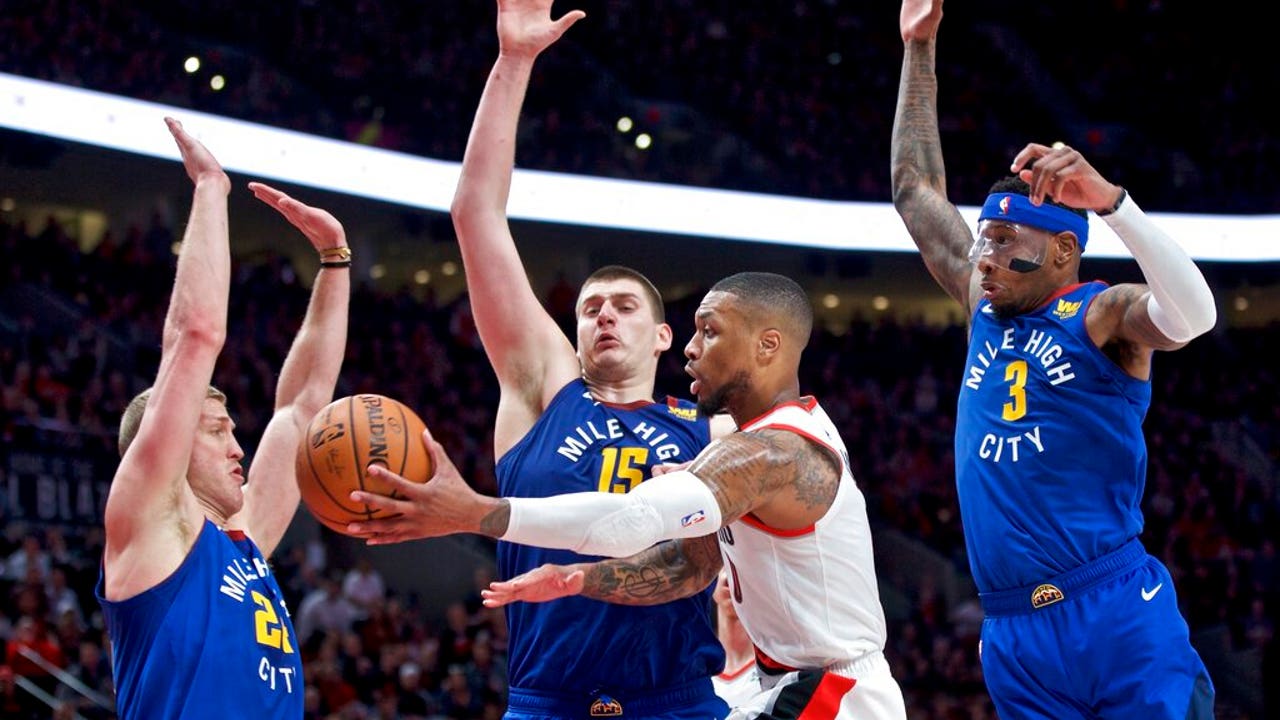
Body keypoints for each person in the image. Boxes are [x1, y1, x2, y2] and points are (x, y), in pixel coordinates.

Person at [352, 1, 733, 717]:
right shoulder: (544, 390)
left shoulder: (711, 429)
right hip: (548, 701)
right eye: (590, 308)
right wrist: (514, 61)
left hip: (678, 700)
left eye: (625, 306)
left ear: (663, 337)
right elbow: (475, 215)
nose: (604, 315)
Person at [354, 272, 908, 720]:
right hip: (798, 687)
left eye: (710, 332)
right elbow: (687, 565)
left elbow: (635, 518)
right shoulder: (760, 442)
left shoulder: (771, 453)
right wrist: (580, 579)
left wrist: (475, 513)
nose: (690, 348)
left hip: (835, 696)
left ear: (768, 346)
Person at [889, 1, 1218, 717]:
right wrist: (919, 48)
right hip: (1013, 629)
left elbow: (1195, 317)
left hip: (1112, 609)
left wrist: (1114, 205)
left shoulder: (1101, 315)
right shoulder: (983, 303)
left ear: (1064, 249)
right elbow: (914, 189)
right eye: (984, 238)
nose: (985, 256)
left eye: (1006, 241)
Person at [94, 118, 352, 719]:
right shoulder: (151, 521)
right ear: (166, 446)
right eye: (215, 430)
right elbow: (194, 337)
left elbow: (302, 405)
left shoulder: (243, 536)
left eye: (232, 429)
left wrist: (335, 260)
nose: (238, 446)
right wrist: (212, 187)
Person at [709, 570, 759, 709]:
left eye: (738, 564)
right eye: (721, 563)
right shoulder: (692, 670)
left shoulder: (779, 670)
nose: (729, 576)